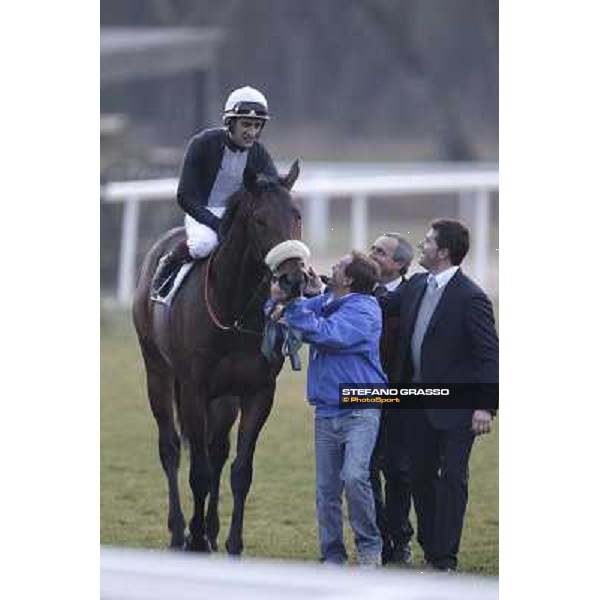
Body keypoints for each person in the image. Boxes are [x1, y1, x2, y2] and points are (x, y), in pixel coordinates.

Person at [388, 219, 499, 572]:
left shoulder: (471, 297)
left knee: (452, 479)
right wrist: (326, 287)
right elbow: (379, 304)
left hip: (458, 409)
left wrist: (485, 405)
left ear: (444, 251)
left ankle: (445, 558)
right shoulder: (417, 284)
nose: (422, 245)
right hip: (416, 404)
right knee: (420, 478)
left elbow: (489, 355)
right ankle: (432, 548)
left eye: (427, 241)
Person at [273, 251, 385, 566]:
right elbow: (279, 312)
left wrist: (295, 306)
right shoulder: (327, 302)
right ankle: (332, 555)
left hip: (360, 406)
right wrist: (286, 296)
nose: (330, 267)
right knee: (326, 490)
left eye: (337, 265)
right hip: (326, 409)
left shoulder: (365, 309)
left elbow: (328, 334)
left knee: (353, 476)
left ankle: (369, 549)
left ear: (348, 279)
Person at [151, 85, 278, 298]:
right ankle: (171, 262)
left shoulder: (259, 154)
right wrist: (216, 224)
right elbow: (184, 196)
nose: (252, 132)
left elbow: (273, 191)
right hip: (202, 213)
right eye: (246, 124)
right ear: (230, 122)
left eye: (257, 125)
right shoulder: (202, 144)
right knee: (204, 245)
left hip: (239, 216)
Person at [367, 234, 415, 566]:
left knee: (398, 472)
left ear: (399, 264)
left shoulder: (416, 295)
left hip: (401, 398)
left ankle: (401, 539)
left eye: (380, 253)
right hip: (363, 397)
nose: (372, 255)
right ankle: (380, 538)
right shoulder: (359, 291)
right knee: (364, 471)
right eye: (372, 248)